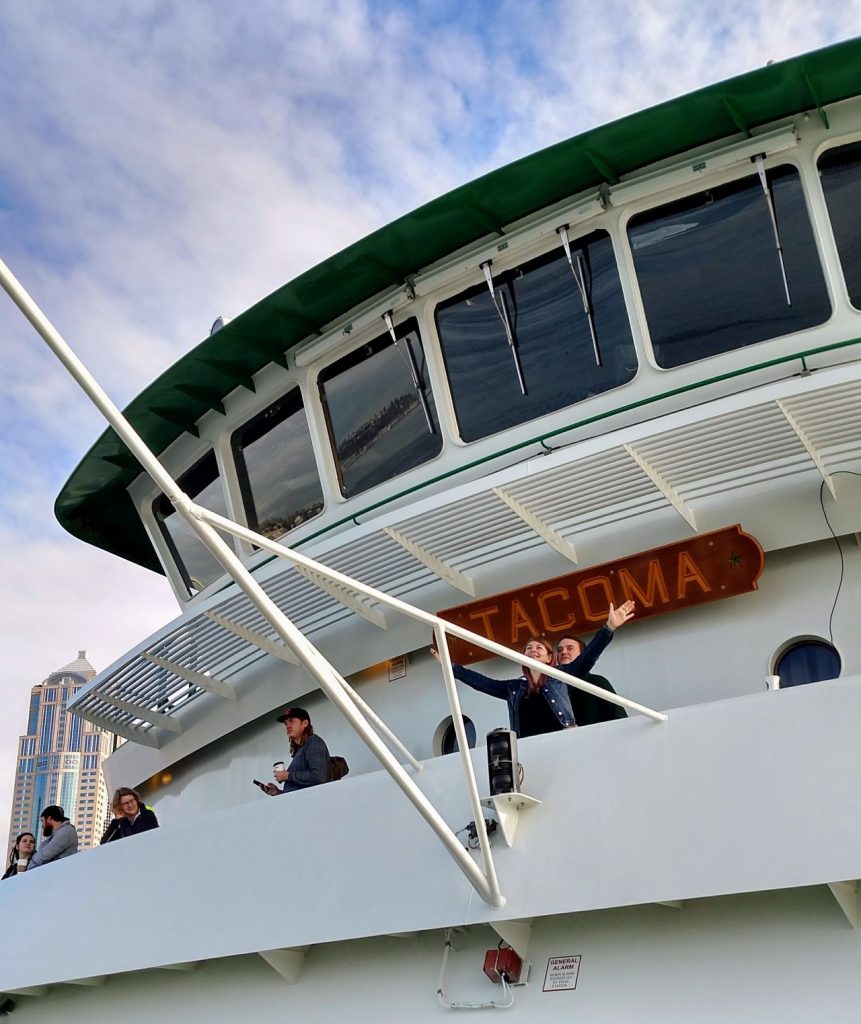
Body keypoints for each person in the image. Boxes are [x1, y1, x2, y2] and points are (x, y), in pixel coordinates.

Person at [432, 601, 635, 738]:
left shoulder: (561, 678)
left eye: (540, 648)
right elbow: (482, 683)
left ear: (549, 658)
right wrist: (451, 668)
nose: (533, 650)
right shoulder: (514, 688)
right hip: (530, 748)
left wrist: (608, 627)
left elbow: (589, 656)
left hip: (564, 742)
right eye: (529, 648)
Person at [557, 634, 628, 726]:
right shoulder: (552, 687)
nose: (563, 652)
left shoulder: (597, 682)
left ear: (582, 655)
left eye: (570, 648)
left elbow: (619, 716)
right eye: (559, 650)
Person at [262, 707, 330, 795]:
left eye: (291, 721)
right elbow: (300, 791)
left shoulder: (314, 742)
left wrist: (287, 776)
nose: (288, 726)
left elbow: (318, 776)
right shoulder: (302, 749)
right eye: (286, 723)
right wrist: (278, 792)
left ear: (305, 723)